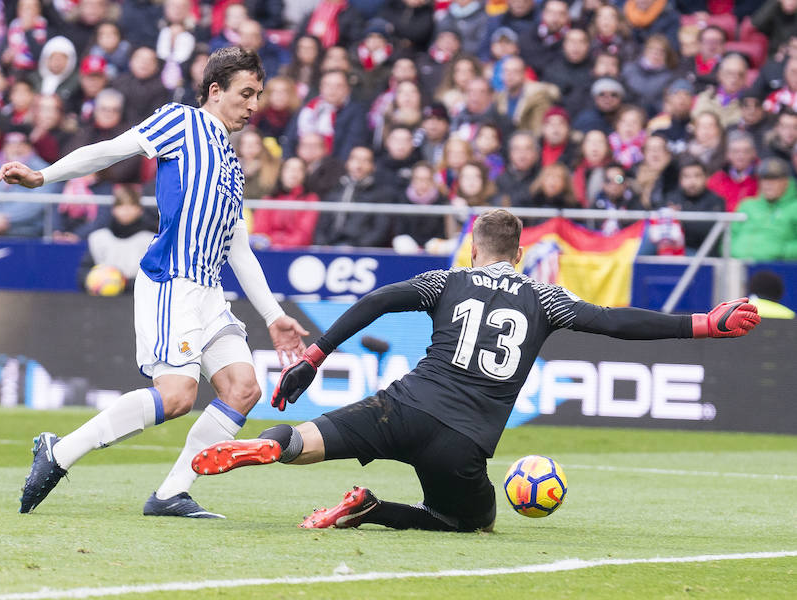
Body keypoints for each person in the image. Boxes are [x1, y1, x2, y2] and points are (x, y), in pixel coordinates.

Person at [189, 209, 760, 532]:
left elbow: (380, 298)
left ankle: (264, 445)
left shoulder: (448, 281)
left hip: (401, 406)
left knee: (305, 439)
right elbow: (615, 322)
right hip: (461, 441)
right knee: (470, 522)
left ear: (473, 249)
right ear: (518, 255)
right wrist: (705, 324)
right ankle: (370, 507)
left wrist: (315, 357)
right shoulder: (545, 298)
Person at [1, 47, 309, 517]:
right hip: (172, 281)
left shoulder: (231, 162)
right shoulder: (181, 122)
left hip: (208, 291)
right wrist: (44, 176)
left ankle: (170, 494)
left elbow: (239, 248)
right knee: (178, 396)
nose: (253, 105)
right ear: (215, 91)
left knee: (243, 388)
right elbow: (109, 151)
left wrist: (273, 316)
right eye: (245, 94)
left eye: (258, 96)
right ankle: (58, 453)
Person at [731, 157, 797, 260]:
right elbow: (729, 236)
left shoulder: (794, 208)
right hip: (739, 264)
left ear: (786, 182)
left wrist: (781, 251)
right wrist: (734, 250)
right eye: (764, 179)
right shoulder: (747, 205)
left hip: (781, 267)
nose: (768, 185)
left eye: (774, 180)